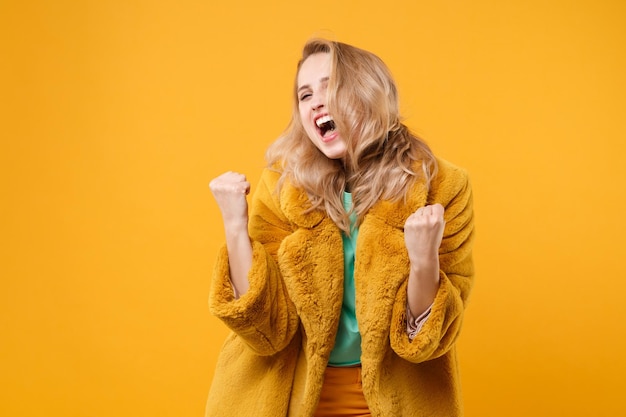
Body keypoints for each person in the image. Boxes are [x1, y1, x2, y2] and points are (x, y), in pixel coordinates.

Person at [206, 38, 475, 417]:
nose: (315, 102)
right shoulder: (282, 187)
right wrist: (234, 224)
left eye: (329, 86)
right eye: (304, 94)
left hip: (399, 397)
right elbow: (265, 331)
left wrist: (424, 260)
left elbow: (424, 343)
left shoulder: (442, 187)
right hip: (286, 396)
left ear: (369, 90)